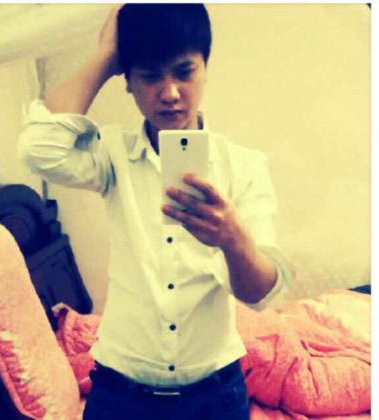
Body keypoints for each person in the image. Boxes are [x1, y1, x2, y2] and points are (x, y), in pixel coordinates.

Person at [18, 4, 291, 419]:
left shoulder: (243, 166)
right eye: (149, 76)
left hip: (215, 396)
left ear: (205, 68)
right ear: (127, 81)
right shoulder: (112, 156)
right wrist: (106, 56)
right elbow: (39, 148)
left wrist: (233, 240)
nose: (169, 93)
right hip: (119, 393)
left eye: (184, 72)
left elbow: (261, 294)